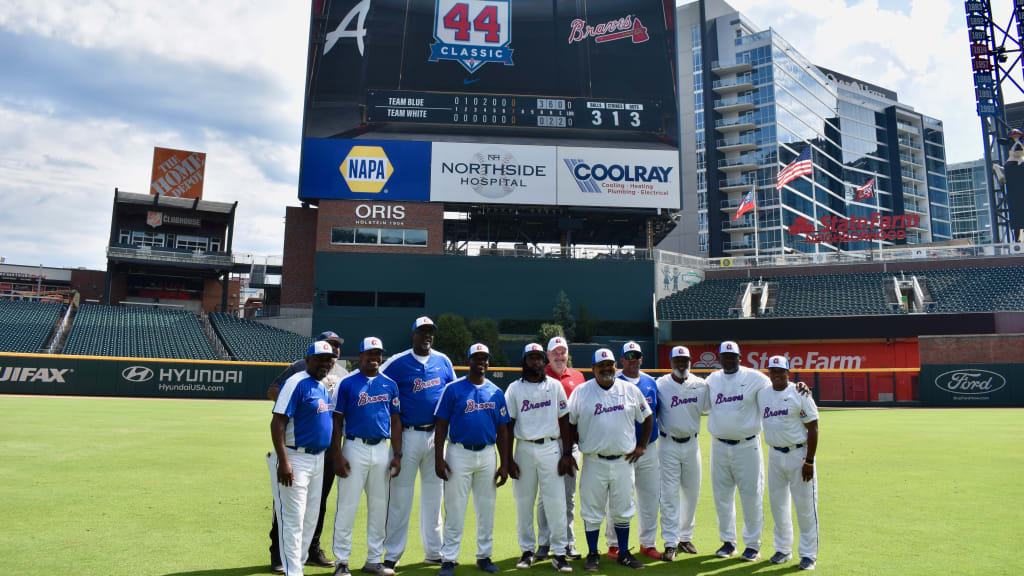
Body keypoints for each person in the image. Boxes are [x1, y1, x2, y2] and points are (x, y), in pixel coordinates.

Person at [269, 331, 348, 573]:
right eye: (320, 358)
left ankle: (300, 563)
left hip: (318, 459)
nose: (326, 362)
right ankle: (292, 569)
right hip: (296, 457)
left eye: (329, 358)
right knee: (293, 518)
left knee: (310, 517)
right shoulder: (297, 381)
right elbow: (277, 423)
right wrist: (284, 461)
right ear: (308, 359)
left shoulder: (322, 384)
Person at [380, 317, 456, 569]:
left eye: (430, 332)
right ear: (412, 334)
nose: (427, 336)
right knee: (400, 498)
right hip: (408, 435)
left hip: (436, 437)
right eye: (422, 332)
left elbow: (453, 395)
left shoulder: (443, 361)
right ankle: (392, 554)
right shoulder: (397, 363)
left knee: (434, 498)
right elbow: (376, 382)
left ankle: (434, 552)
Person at [569, 348, 652, 572]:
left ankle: (624, 553)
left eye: (610, 364)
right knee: (592, 509)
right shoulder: (581, 392)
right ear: (593, 368)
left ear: (616, 366)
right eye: (601, 365)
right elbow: (570, 423)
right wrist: (570, 450)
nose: (606, 368)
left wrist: (642, 445)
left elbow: (648, 416)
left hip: (623, 461)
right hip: (594, 460)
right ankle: (593, 554)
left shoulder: (630, 390)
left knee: (623, 508)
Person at [434, 343, 510, 576]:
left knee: (486, 509)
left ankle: (484, 556)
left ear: (488, 361)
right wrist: (439, 457)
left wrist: (505, 462)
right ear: (469, 361)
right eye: (476, 358)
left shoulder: (496, 392)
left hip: (487, 454)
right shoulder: (453, 389)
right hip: (459, 452)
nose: (481, 361)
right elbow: (441, 425)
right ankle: (448, 559)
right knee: (455, 509)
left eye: (484, 358)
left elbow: (504, 430)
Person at [330, 337, 403, 576]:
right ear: (360, 356)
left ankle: (373, 559)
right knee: (347, 506)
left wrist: (398, 454)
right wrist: (337, 454)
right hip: (354, 447)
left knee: (379, 508)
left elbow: (395, 420)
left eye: (378, 353)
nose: (374, 357)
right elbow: (337, 420)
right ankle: (342, 561)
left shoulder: (390, 384)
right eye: (370, 353)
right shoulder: (348, 383)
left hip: (382, 449)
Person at [505, 343, 575, 573]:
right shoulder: (514, 389)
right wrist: (507, 459)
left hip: (550, 447)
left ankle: (559, 552)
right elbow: (508, 425)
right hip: (524, 448)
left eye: (538, 358)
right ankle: (527, 550)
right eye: (530, 358)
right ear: (524, 361)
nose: (535, 362)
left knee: (556, 503)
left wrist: (566, 453)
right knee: (524, 503)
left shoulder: (554, 386)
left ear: (542, 361)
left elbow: (564, 420)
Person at [705, 340, 769, 562]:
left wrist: (798, 388)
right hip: (719, 446)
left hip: (747, 446)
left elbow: (776, 392)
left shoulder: (756, 378)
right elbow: (703, 405)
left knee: (751, 496)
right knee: (722, 496)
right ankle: (728, 542)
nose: (729, 360)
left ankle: (752, 545)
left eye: (733, 356)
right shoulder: (712, 379)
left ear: (740, 358)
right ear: (719, 358)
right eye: (725, 356)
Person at [757, 355, 819, 571]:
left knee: (805, 507)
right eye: (772, 371)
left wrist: (809, 460)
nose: (776, 375)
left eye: (780, 371)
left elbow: (813, 426)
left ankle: (809, 554)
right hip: (774, 455)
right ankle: (783, 549)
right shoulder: (763, 394)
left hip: (798, 454)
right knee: (778, 505)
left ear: (788, 373)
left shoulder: (799, 392)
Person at [606, 342, 661, 560]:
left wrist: (645, 444)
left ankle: (647, 543)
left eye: (636, 355)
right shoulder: (613, 381)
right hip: (623, 451)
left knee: (649, 497)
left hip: (647, 448)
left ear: (642, 359)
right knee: (618, 498)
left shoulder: (650, 382)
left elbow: (656, 414)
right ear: (621, 360)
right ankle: (614, 544)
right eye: (628, 356)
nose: (632, 359)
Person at [654, 346, 709, 560]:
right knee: (668, 494)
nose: (681, 364)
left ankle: (685, 537)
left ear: (690, 362)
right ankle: (670, 542)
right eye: (677, 360)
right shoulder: (660, 385)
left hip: (692, 443)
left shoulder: (701, 385)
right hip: (667, 444)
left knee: (691, 493)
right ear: (670, 362)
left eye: (684, 360)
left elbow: (712, 408)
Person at [536, 336, 586, 560]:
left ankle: (568, 542)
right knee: (544, 497)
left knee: (568, 496)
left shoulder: (578, 377)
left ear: (568, 355)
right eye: (554, 352)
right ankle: (544, 543)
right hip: (547, 442)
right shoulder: (539, 375)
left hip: (571, 444)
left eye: (562, 352)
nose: (559, 356)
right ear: (547, 355)